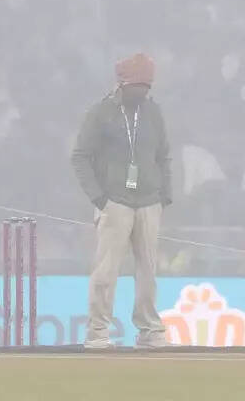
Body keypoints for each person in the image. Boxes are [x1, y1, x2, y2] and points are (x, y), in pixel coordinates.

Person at [71, 53, 173, 350]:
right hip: (114, 201)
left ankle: (150, 330)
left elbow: (163, 155)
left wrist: (165, 194)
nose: (142, 92)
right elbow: (80, 156)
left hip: (149, 201)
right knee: (106, 271)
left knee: (148, 272)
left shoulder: (153, 112)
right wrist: (98, 197)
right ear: (122, 85)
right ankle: (98, 332)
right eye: (137, 87)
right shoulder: (100, 112)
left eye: (147, 87)